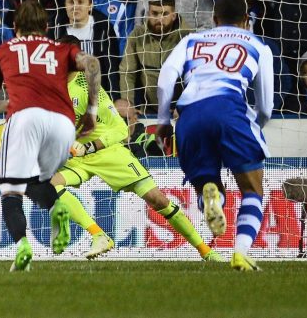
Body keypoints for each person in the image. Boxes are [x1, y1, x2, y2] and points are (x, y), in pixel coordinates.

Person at [48, 59, 222, 262]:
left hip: (108, 154)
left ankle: (205, 251)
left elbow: (121, 130)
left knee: (158, 200)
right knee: (50, 186)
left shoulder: (88, 86)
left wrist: (89, 146)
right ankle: (99, 235)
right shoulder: (51, 87)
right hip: (79, 159)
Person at [0, 0, 101, 272]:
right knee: (34, 179)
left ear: (14, 26)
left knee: (11, 191)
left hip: (25, 119)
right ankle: (56, 206)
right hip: (64, 124)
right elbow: (92, 64)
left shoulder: (6, 49)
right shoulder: (61, 48)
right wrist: (91, 110)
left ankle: (22, 245)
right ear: (46, 26)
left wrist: (10, 104)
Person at [156, 0, 274, 271]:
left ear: (214, 19)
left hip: (189, 116)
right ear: (247, 21)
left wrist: (163, 120)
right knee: (252, 190)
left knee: (207, 181)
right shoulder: (258, 45)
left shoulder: (191, 40)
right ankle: (241, 251)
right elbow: (266, 105)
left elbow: (166, 76)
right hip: (229, 110)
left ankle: (212, 197)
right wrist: (255, 125)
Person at [118, 0, 191, 114]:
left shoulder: (188, 38)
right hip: (147, 109)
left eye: (164, 14)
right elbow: (127, 72)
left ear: (173, 15)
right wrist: (128, 103)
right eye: (155, 13)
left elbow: (195, 77)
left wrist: (185, 105)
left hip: (180, 111)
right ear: (148, 14)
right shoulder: (137, 35)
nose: (159, 19)